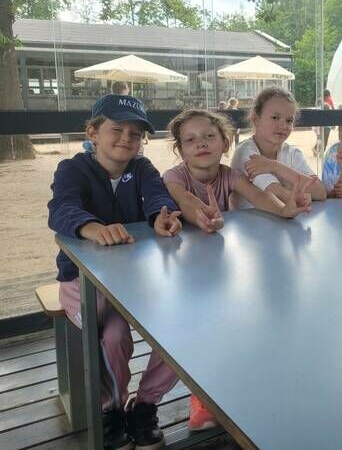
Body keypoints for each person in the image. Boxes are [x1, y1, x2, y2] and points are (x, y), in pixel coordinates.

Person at [163, 109, 313, 431]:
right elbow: (184, 200)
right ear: (181, 149)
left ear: (225, 142)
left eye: (209, 136)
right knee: (199, 330)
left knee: (234, 323)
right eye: (190, 140)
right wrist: (201, 215)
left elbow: (259, 197)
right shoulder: (174, 176)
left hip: (220, 260)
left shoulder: (230, 175)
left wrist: (286, 210)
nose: (201, 144)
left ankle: (241, 385)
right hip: (183, 268)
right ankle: (202, 397)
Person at [48, 94, 183, 450]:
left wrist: (160, 217)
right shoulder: (72, 169)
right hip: (81, 281)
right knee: (113, 334)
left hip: (134, 280)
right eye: (117, 129)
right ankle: (111, 409)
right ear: (92, 132)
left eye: (135, 133)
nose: (126, 138)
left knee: (182, 324)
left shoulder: (142, 168)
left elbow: (157, 197)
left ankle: (145, 404)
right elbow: (61, 208)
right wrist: (90, 226)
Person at [230, 87, 326, 207]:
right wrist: (296, 187)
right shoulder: (245, 152)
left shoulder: (292, 153)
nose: (283, 125)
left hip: (287, 218)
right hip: (249, 218)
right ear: (256, 119)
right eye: (275, 118)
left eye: (289, 121)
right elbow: (276, 193)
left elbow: (320, 192)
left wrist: (275, 167)